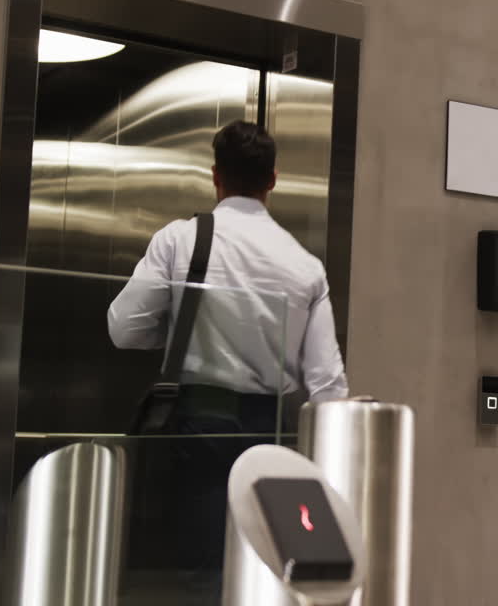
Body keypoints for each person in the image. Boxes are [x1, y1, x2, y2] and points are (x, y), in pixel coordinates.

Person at [107, 119, 348, 585]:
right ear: (272, 180)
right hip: (270, 433)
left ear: (216, 175)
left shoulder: (181, 240)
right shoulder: (305, 266)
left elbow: (123, 329)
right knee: (259, 568)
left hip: (195, 429)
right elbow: (328, 386)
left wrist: (178, 328)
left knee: (196, 571)